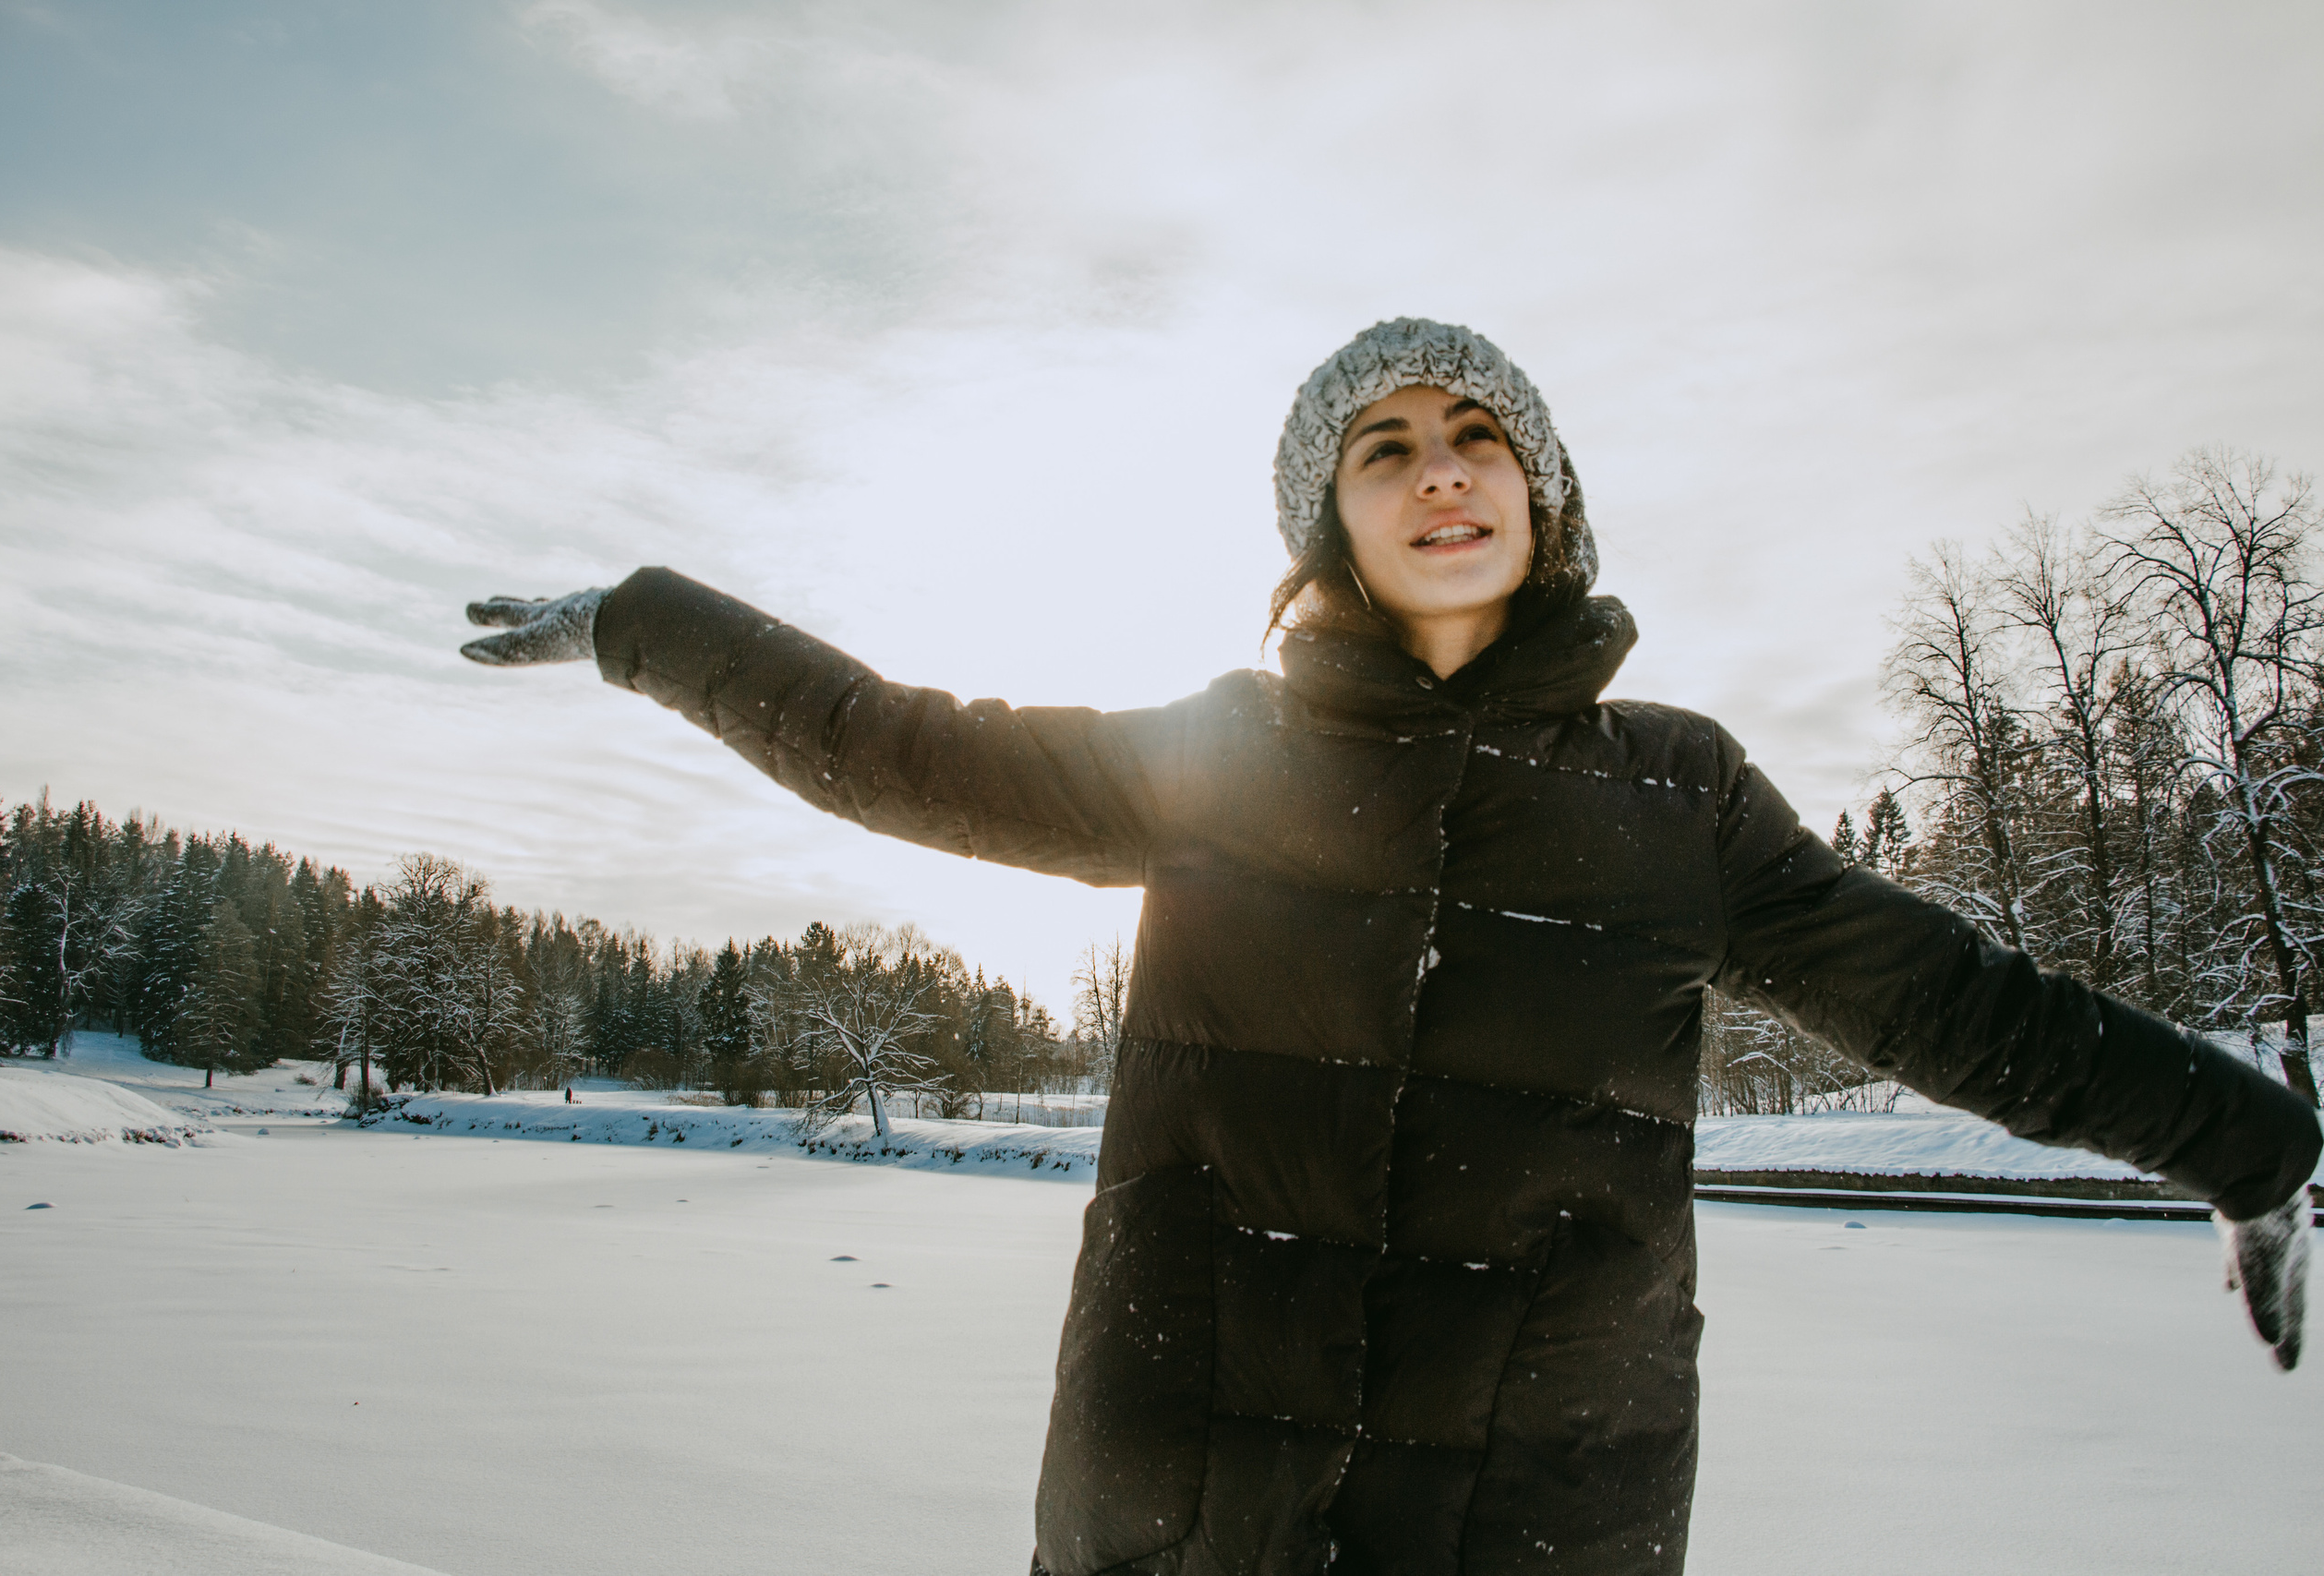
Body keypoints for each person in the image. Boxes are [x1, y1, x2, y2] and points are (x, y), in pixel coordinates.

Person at [461, 319, 2318, 1576]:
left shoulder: (1676, 797)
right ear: (1328, 522)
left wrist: (2245, 1147)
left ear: (1541, 492)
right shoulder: (1212, 763)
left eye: (1474, 435)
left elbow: (1955, 1006)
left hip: (1536, 1507)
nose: (1439, 472)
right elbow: (892, 748)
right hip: (1190, 1485)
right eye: (1383, 448)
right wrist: (645, 621)